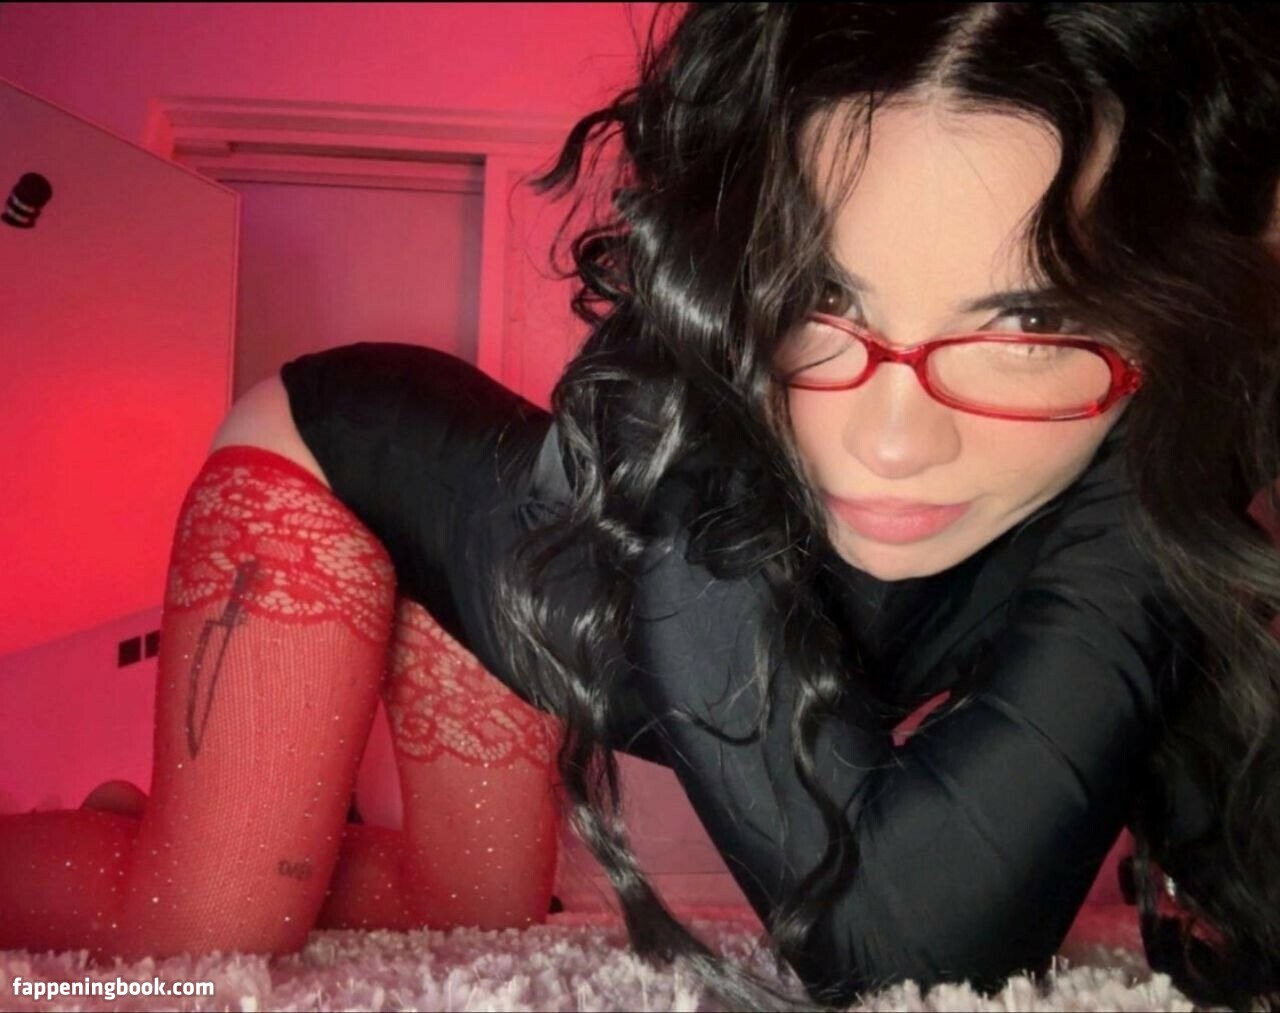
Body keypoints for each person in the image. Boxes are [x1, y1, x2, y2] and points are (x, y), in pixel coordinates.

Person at [4, 3, 1280, 1009]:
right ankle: (167, 840)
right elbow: (898, 936)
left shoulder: (1133, 425)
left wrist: (1197, 427)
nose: (890, 441)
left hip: (498, 590)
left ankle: (182, 812)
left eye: (1029, 324)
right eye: (814, 299)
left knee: (467, 912)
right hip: (338, 465)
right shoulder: (701, 445)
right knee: (199, 937)